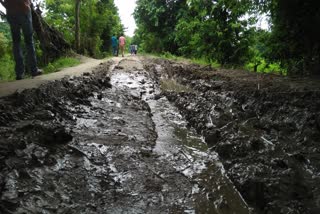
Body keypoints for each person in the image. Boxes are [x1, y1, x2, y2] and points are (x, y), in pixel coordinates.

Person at [0, 0, 42, 80]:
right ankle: (34, 70)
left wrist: (6, 5)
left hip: (11, 12)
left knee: (16, 42)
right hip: (23, 9)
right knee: (29, 41)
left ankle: (19, 73)